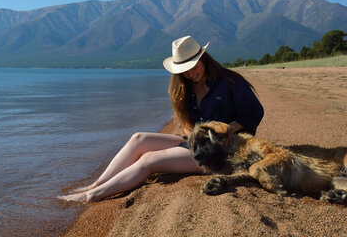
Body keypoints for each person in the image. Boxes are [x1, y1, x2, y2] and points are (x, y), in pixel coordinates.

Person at [58, 35, 264, 202]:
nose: (191, 73)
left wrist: (228, 128)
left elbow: (254, 112)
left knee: (149, 160)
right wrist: (188, 134)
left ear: (204, 59)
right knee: (139, 138)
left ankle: (93, 195)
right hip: (194, 142)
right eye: (185, 70)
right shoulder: (186, 89)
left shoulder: (230, 82)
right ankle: (97, 183)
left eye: (194, 66)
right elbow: (186, 124)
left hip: (221, 151)